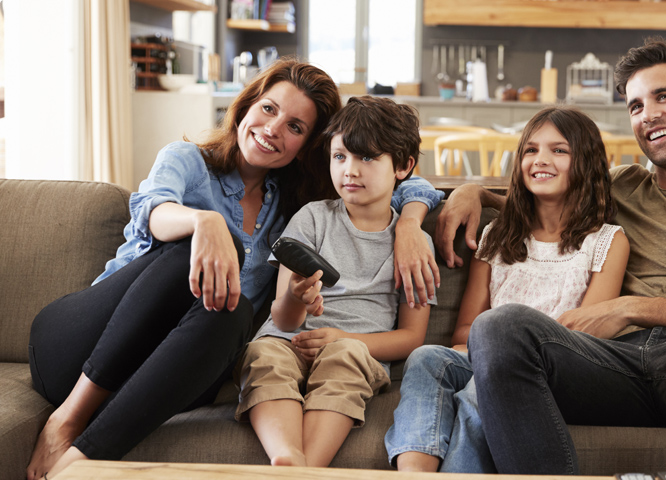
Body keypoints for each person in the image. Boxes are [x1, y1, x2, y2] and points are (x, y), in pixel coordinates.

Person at [26, 59, 443, 480]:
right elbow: (153, 214)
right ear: (245, 106)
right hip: (83, 347)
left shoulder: (296, 203)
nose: (274, 129)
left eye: (295, 127)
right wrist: (202, 222)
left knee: (235, 311)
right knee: (190, 254)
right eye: (268, 108)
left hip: (166, 377)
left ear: (306, 146)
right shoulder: (187, 160)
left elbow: (396, 177)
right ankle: (68, 418)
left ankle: (83, 459)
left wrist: (410, 223)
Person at [435, 38, 666, 480]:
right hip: (615, 365)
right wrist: (471, 193)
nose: (648, 114)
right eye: (635, 106)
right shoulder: (620, 185)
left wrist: (630, 308)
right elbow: (541, 197)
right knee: (499, 326)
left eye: (663, 96)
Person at [385, 106, 629, 473]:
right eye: (531, 149)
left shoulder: (607, 241)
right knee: (426, 358)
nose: (540, 159)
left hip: (556, 372)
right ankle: (413, 473)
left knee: (486, 383)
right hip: (484, 356)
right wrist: (488, 350)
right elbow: (464, 331)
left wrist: (502, 354)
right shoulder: (496, 236)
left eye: (558, 150)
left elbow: (586, 337)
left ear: (587, 162)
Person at [235, 95, 436, 468]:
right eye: (340, 156)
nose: (350, 171)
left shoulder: (415, 246)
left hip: (356, 349)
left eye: (367, 158)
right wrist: (295, 297)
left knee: (344, 357)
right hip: (289, 340)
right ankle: (287, 457)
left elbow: (412, 337)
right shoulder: (312, 218)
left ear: (403, 166)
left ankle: (306, 469)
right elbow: (283, 320)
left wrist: (343, 338)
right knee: (263, 355)